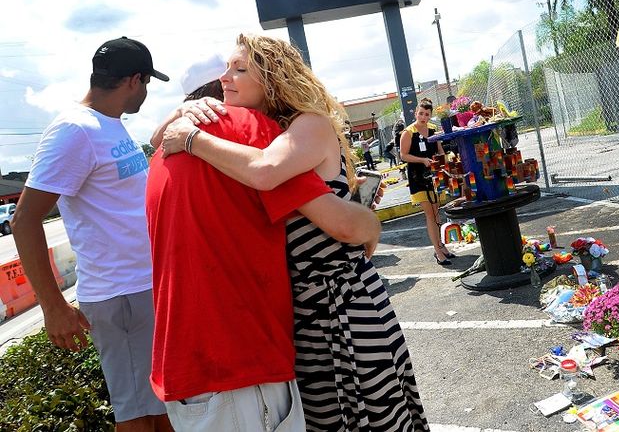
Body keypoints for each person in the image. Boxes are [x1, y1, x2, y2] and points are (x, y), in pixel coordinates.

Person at [156, 34, 428, 432]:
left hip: (343, 303)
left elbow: (266, 172)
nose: (225, 78)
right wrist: (185, 109)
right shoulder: (258, 134)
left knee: (369, 414)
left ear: (273, 78)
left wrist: (193, 138)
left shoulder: (308, 125)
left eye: (239, 69)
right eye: (226, 69)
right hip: (303, 309)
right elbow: (156, 140)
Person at [12, 37, 172, 431]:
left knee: (162, 410)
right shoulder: (74, 130)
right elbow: (24, 220)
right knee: (138, 415)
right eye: (148, 84)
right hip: (120, 294)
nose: (146, 94)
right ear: (134, 80)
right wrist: (54, 308)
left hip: (142, 289)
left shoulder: (109, 126)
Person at [398, 98, 456, 266]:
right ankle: (438, 252)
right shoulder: (408, 132)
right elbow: (403, 155)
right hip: (418, 177)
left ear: (430, 115)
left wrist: (446, 164)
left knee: (437, 212)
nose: (423, 117)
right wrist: (422, 160)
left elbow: (439, 150)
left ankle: (441, 246)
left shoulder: (433, 129)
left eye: (427, 114)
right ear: (416, 113)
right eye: (421, 113)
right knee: (430, 214)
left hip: (435, 176)